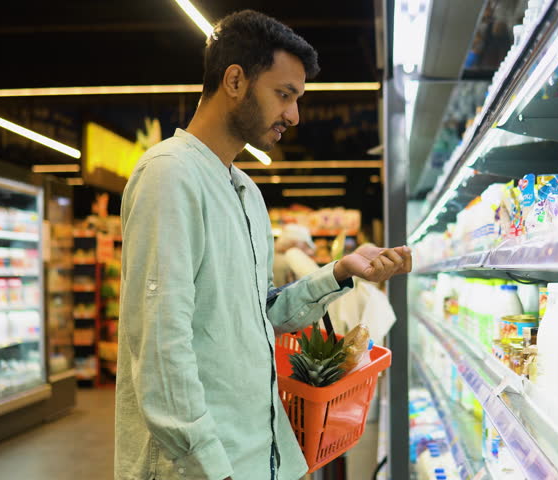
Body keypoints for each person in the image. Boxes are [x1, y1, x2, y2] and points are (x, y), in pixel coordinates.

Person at [114, 10, 412, 480]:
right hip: (199, 468)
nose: (294, 115)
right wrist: (216, 470)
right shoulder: (169, 176)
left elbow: (257, 316)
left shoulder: (245, 192)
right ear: (235, 80)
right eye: (284, 94)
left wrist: (341, 271)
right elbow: (160, 352)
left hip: (260, 457)